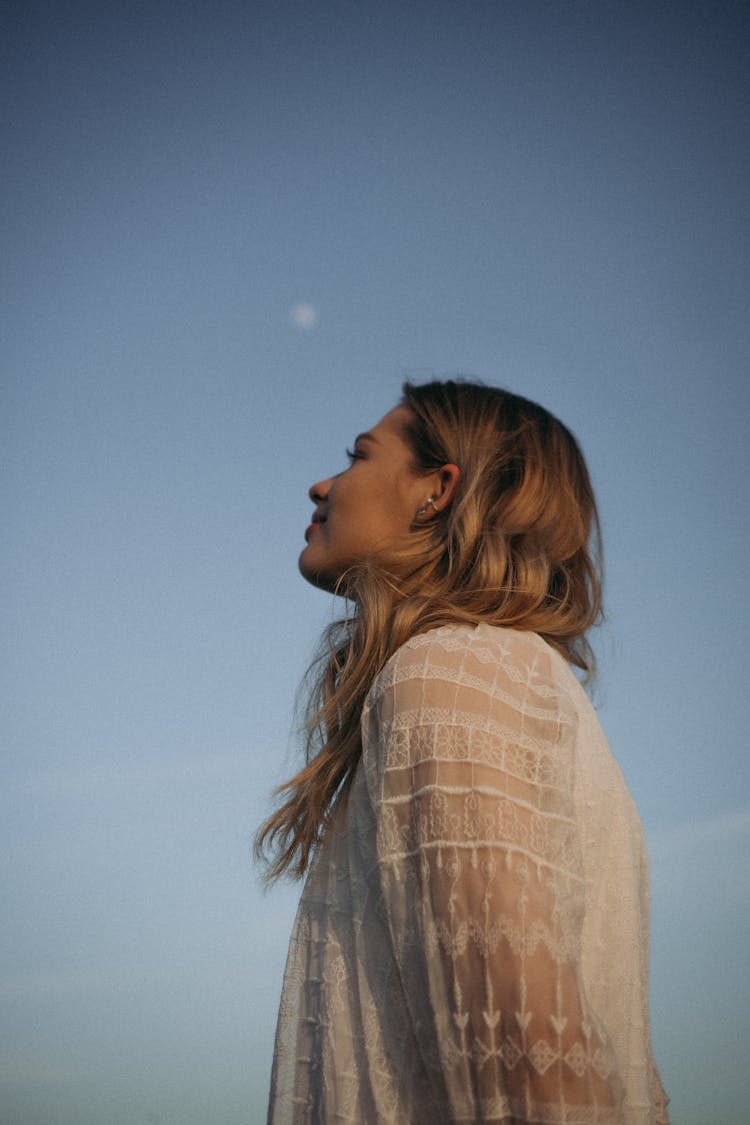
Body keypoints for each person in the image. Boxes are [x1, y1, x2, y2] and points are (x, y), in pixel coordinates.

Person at [256, 380, 669, 1124]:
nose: (324, 482)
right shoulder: (492, 674)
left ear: (438, 491)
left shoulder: (446, 676)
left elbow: (533, 1057)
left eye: (357, 455)